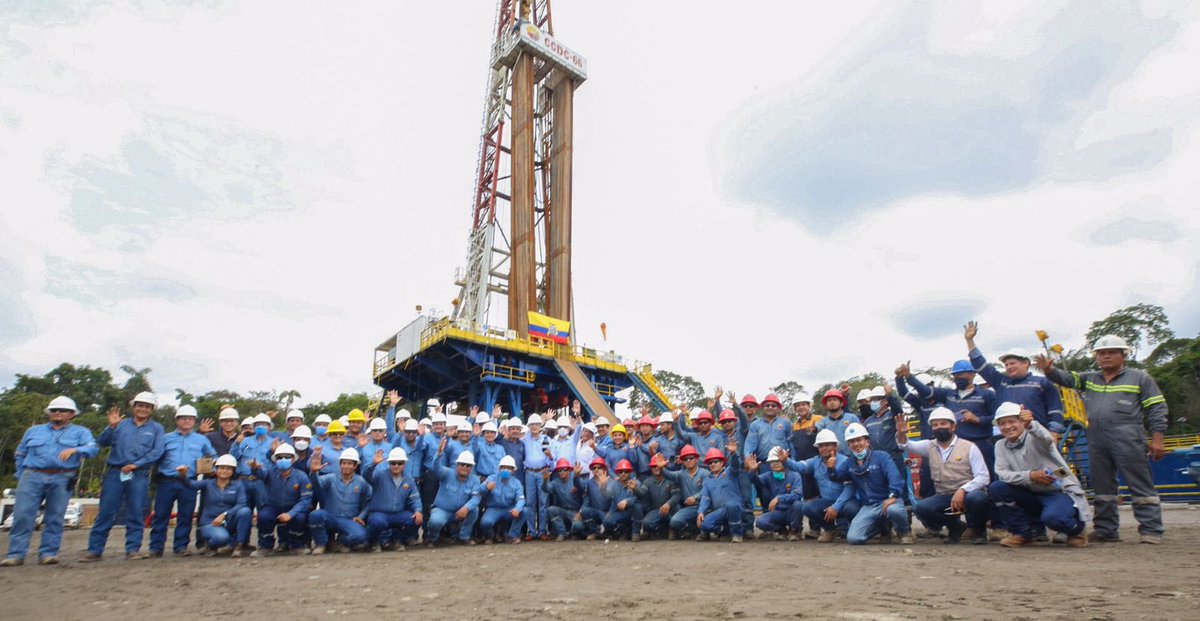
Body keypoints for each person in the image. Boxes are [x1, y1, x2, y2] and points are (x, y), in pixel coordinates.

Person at [1036, 335, 1167, 544]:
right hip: (1096, 437)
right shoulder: (1090, 378)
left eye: (1112, 352)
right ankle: (1106, 530)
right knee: (1103, 486)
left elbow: (1157, 408)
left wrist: (1158, 438)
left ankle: (1151, 529)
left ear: (1123, 355)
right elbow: (1067, 379)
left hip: (1129, 435)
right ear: (1096, 357)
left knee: (1140, 484)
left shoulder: (1140, 378)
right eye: (1102, 353)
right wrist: (1049, 370)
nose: (1106, 356)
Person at [2, 396, 98, 567]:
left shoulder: (81, 432)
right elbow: (20, 453)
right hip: (32, 475)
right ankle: (15, 554)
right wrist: (21, 474)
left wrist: (76, 449)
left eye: (62, 410)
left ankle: (48, 553)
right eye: (54, 410)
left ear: (72, 414)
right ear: (49, 413)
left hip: (63, 477)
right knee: (23, 515)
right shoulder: (33, 431)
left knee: (55, 516)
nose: (58, 413)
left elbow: (92, 449)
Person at [989, 402, 1089, 548]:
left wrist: (1031, 425)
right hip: (1031, 492)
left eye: (1012, 421)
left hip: (1058, 491)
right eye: (1003, 423)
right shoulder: (1000, 445)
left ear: (1021, 422)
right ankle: (1021, 533)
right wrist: (1030, 476)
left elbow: (1046, 440)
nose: (1007, 426)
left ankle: (1076, 530)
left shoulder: (1034, 436)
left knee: (1054, 518)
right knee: (997, 488)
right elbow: (1003, 473)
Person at [82, 391, 165, 562]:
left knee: (135, 512)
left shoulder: (156, 429)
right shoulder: (120, 425)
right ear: (134, 407)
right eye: (140, 405)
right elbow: (102, 442)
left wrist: (137, 464)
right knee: (106, 511)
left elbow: (157, 451)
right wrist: (111, 426)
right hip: (115, 472)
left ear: (152, 409)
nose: (143, 409)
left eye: (147, 406)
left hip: (139, 474)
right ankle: (95, 550)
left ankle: (133, 549)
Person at [897, 407, 990, 544]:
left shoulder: (969, 447)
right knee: (921, 508)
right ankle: (955, 527)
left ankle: (979, 531)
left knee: (978, 498)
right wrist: (900, 434)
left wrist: (963, 490)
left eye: (943, 424)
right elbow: (906, 445)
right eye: (935, 425)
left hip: (969, 493)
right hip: (944, 495)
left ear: (953, 426)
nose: (939, 427)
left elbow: (983, 477)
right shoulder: (929, 446)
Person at [964, 321, 1065, 437]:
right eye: (1006, 365)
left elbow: (1055, 409)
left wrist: (1053, 433)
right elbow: (980, 364)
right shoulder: (1001, 382)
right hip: (1009, 437)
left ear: (1026, 363)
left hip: (1037, 435)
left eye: (1012, 363)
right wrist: (970, 341)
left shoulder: (1042, 383)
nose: (1009, 367)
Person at [899, 360, 998, 476]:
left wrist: (977, 419)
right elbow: (926, 391)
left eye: (960, 374)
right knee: (959, 479)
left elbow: (998, 418)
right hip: (957, 446)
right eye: (955, 375)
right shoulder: (949, 395)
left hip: (981, 444)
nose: (957, 378)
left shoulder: (987, 395)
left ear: (972, 374)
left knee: (986, 479)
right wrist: (909, 377)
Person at [828, 422, 913, 545]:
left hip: (888, 501)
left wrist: (893, 496)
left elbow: (895, 477)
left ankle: (904, 532)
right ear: (849, 445)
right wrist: (831, 469)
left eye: (859, 440)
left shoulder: (882, 457)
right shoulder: (849, 463)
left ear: (867, 442)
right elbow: (837, 477)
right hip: (868, 506)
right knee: (853, 539)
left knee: (894, 510)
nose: (856, 444)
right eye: (852, 442)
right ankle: (882, 528)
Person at [149, 405, 216, 557]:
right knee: (161, 515)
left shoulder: (201, 440)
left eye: (190, 418)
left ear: (194, 421)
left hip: (189, 482)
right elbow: (156, 458)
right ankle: (156, 547)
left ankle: (181, 546)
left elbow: (213, 456)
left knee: (185, 516)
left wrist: (215, 467)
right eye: (183, 418)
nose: (186, 421)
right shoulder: (165, 438)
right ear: (177, 420)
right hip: (167, 480)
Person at [779, 431, 858, 542]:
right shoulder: (815, 462)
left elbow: (849, 489)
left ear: (835, 446)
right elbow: (800, 466)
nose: (824, 448)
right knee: (806, 507)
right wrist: (785, 461)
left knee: (852, 509)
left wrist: (836, 506)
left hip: (846, 502)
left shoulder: (845, 462)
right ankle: (830, 530)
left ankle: (854, 529)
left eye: (827, 445)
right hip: (827, 502)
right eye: (821, 446)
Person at [183, 454, 252, 556]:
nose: (224, 471)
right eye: (221, 468)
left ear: (233, 471)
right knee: (221, 538)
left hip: (228, 520)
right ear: (216, 470)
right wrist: (183, 475)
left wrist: (225, 514)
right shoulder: (208, 483)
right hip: (210, 522)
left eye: (228, 469)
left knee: (245, 511)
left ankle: (238, 545)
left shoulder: (238, 485)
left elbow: (241, 504)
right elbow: (190, 484)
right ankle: (211, 544)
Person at [308, 448, 373, 553]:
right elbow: (316, 484)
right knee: (315, 515)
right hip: (330, 517)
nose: (346, 466)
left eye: (349, 463)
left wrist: (361, 517)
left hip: (349, 520)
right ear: (340, 464)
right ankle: (321, 544)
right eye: (343, 463)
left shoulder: (361, 481)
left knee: (361, 536)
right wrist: (314, 472)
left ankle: (340, 542)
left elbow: (369, 500)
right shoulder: (331, 478)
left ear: (355, 466)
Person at [254, 444, 313, 556]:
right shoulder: (270, 473)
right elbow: (260, 474)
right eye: (280, 457)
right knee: (264, 516)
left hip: (294, 507)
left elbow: (305, 500)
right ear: (275, 460)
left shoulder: (301, 476)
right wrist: (255, 468)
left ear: (292, 460)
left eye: (287, 457)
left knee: (300, 517)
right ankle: (265, 547)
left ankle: (297, 546)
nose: (283, 460)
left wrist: (291, 514)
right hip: (273, 507)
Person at [364, 447, 422, 551]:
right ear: (389, 463)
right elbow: (367, 476)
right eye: (393, 463)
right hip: (379, 514)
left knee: (414, 519)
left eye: (399, 463)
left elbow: (415, 497)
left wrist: (418, 511)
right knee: (376, 522)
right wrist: (373, 464)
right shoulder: (379, 475)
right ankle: (374, 542)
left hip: (397, 514)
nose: (396, 466)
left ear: (404, 464)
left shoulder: (408, 479)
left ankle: (396, 540)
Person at [424, 451, 483, 545]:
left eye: (468, 465)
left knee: (474, 510)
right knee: (435, 522)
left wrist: (466, 507)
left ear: (471, 467)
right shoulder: (447, 473)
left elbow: (476, 498)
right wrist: (438, 455)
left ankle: (464, 537)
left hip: (461, 511)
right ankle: (432, 538)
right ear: (457, 464)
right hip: (443, 510)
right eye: (462, 464)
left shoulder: (475, 480)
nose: (464, 467)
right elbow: (436, 468)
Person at [747, 447, 805, 539]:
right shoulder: (768, 476)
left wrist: (779, 498)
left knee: (798, 504)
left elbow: (797, 496)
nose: (775, 464)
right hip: (778, 513)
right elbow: (755, 481)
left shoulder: (794, 475)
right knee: (760, 522)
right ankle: (781, 530)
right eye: (772, 461)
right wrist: (753, 471)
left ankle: (795, 531)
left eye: (778, 461)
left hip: (791, 511)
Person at [696, 441, 745, 543]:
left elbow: (736, 465)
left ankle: (737, 534)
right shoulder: (707, 481)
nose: (713, 464)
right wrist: (701, 512)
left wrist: (734, 454)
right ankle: (725, 532)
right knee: (705, 524)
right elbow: (705, 498)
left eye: (716, 461)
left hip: (735, 508)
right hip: (721, 511)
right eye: (710, 462)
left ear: (722, 462)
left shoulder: (730, 473)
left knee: (732, 505)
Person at [664, 445, 709, 539]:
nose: (688, 461)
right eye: (685, 459)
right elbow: (668, 475)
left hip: (704, 507)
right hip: (690, 508)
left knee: (707, 522)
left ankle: (704, 531)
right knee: (674, 521)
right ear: (682, 462)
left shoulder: (705, 473)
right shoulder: (681, 474)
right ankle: (692, 529)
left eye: (691, 458)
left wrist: (695, 497)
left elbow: (706, 490)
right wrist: (661, 468)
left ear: (696, 459)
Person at [479, 455, 527, 544]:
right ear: (499, 468)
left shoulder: (516, 483)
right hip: (493, 509)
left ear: (513, 470)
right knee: (485, 522)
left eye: (509, 468)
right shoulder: (491, 478)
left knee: (524, 511)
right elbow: (480, 490)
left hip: (508, 510)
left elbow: (521, 499)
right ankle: (490, 536)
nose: (505, 470)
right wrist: (486, 487)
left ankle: (512, 535)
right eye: (503, 467)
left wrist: (517, 508)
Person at [543, 458, 588, 540]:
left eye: (564, 470)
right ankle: (561, 533)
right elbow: (546, 489)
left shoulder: (575, 480)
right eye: (560, 470)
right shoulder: (555, 483)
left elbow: (581, 488)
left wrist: (576, 476)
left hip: (576, 512)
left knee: (578, 526)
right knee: (551, 509)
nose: (562, 472)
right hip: (563, 511)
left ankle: (572, 533)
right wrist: (545, 480)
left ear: (569, 471)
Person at [602, 459, 643, 541]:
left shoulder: (636, 483)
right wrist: (602, 486)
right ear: (617, 473)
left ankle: (636, 532)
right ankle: (624, 531)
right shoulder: (613, 484)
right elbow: (608, 497)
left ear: (630, 472)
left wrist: (627, 501)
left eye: (626, 471)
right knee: (607, 521)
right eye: (621, 472)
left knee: (637, 506)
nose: (623, 474)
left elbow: (640, 497)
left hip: (633, 512)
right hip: (621, 513)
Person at [814, 389, 860, 454]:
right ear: (826, 405)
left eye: (834, 400)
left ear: (841, 403)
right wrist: (813, 429)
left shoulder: (852, 418)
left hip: (852, 458)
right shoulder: (823, 421)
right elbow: (817, 427)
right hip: (831, 459)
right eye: (829, 400)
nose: (832, 402)